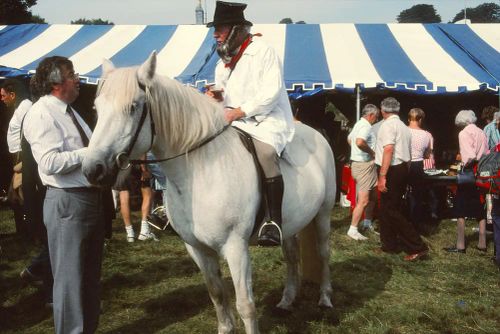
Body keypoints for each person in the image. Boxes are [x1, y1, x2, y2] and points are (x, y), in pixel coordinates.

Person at [23, 56, 105, 333]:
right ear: (57, 83)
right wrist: (89, 153)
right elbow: (48, 163)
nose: (78, 79)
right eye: (73, 75)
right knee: (70, 281)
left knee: (90, 279)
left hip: (88, 200)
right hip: (67, 203)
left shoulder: (71, 111)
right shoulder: (41, 113)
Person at [206, 1, 295, 246]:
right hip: (234, 120)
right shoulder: (222, 61)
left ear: (236, 29)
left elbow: (271, 93)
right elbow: (223, 91)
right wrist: (216, 96)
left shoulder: (264, 50)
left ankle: (273, 221)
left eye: (220, 28)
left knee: (266, 154)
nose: (215, 33)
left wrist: (238, 112)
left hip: (266, 119)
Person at [375, 97, 428, 262]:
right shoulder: (404, 128)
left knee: (391, 210)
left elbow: (389, 149)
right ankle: (389, 244)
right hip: (402, 167)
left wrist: (382, 176)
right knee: (386, 208)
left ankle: (417, 246)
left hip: (392, 169)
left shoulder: (388, 125)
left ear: (383, 110)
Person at [444, 110, 489, 254]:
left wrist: (463, 165)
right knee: (480, 205)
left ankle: (460, 245)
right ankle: (482, 243)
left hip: (469, 172)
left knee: (460, 207)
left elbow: (469, 156)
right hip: (482, 172)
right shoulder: (481, 132)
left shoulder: (463, 133)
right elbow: (486, 153)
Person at [1, 78, 31, 235]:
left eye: (3, 95)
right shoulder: (19, 108)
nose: (2, 98)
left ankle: (30, 231)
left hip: (22, 156)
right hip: (18, 156)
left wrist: (23, 161)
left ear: (12, 95)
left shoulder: (26, 107)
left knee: (20, 194)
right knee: (16, 195)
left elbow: (29, 134)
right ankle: (24, 231)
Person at [346, 104, 379, 240]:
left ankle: (367, 222)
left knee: (373, 196)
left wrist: (356, 152)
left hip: (360, 163)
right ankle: (353, 229)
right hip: (364, 165)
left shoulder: (359, 124)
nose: (376, 120)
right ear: (370, 115)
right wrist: (372, 152)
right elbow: (359, 142)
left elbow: (350, 139)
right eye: (376, 117)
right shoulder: (366, 126)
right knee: (364, 200)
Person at [114, 156, 158, 243]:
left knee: (123, 195)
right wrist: (144, 169)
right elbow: (142, 151)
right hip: (136, 163)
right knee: (147, 193)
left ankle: (130, 234)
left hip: (121, 165)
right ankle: (144, 231)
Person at [407, 108, 433, 227]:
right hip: (417, 164)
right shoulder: (426, 134)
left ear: (408, 118)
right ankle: (415, 221)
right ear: (421, 119)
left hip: (404, 163)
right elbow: (427, 154)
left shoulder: (403, 131)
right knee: (416, 195)